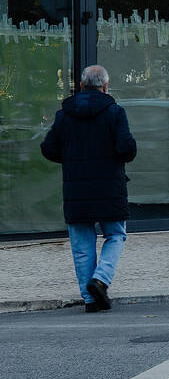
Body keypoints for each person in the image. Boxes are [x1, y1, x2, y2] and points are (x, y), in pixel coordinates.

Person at [41, 65, 137, 313]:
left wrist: (72, 160)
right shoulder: (115, 112)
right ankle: (100, 280)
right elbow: (126, 149)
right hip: (109, 187)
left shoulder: (64, 115)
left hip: (76, 190)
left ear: (82, 86)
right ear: (105, 86)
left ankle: (91, 300)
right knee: (116, 235)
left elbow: (48, 148)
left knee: (82, 246)